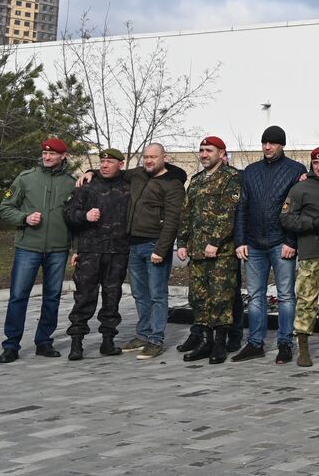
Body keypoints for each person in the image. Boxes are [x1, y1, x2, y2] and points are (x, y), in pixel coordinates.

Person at [0, 138, 76, 363]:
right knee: (18, 297)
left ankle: (44, 341)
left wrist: (76, 249)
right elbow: (5, 208)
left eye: (52, 154)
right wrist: (24, 218)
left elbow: (75, 219)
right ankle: (11, 345)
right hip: (28, 248)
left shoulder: (71, 183)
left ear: (63, 156)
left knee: (52, 297)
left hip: (58, 249)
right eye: (44, 153)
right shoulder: (26, 179)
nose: (47, 157)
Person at [233, 126, 306, 364]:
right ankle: (255, 342)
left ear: (281, 145)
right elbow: (242, 207)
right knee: (255, 296)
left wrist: (290, 241)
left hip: (281, 243)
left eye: (272, 143)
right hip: (253, 244)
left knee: (285, 296)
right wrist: (240, 240)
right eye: (265, 143)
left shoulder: (296, 170)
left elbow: (297, 209)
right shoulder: (250, 172)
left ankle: (285, 343)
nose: (267, 147)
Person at [106, 144, 186, 359]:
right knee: (140, 294)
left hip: (154, 246)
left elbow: (172, 221)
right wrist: (89, 172)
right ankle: (143, 334)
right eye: (145, 157)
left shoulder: (173, 184)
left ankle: (156, 339)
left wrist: (161, 249)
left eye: (153, 157)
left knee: (157, 294)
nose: (148, 161)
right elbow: (117, 172)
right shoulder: (139, 175)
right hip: (134, 245)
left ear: (164, 158)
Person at [175, 136, 243, 364]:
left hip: (221, 252)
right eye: (202, 150)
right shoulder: (196, 181)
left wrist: (215, 241)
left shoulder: (231, 178)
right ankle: (205, 341)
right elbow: (186, 213)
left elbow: (229, 213)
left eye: (209, 150)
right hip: (197, 251)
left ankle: (220, 344)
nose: (204, 154)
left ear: (221, 154)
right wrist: (182, 243)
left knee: (221, 297)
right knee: (199, 297)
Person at [61, 147, 131, 360]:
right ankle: (76, 343)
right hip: (91, 251)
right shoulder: (87, 187)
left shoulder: (129, 187)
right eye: (102, 162)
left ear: (121, 164)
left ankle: (108, 342)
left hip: (118, 251)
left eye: (110, 162)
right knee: (84, 297)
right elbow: (68, 214)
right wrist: (84, 216)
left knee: (112, 298)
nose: (105, 165)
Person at [280, 146, 319, 367]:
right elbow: (286, 218)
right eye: (316, 163)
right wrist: (310, 223)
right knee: (306, 302)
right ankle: (304, 349)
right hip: (310, 254)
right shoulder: (300, 188)